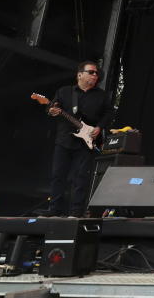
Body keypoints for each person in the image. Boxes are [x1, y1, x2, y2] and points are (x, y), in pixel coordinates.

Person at [44, 61, 112, 217]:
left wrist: (99, 127)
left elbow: (108, 113)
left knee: (81, 178)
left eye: (96, 73)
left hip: (85, 143)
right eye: (91, 72)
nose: (95, 75)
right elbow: (50, 107)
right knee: (58, 175)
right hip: (64, 140)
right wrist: (51, 111)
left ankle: (76, 211)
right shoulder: (64, 91)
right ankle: (54, 209)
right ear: (80, 74)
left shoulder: (101, 96)